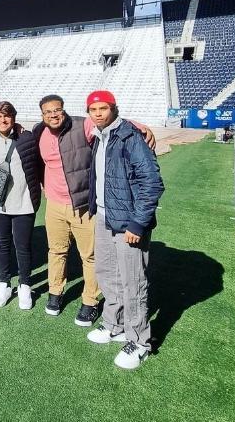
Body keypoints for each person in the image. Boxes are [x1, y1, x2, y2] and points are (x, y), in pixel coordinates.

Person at [32, 94, 155, 326]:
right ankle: (55, 292)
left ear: (63, 110)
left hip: (81, 205)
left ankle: (90, 301)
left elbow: (109, 122)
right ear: (42, 115)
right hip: (54, 205)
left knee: (89, 256)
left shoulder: (82, 124)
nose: (53, 115)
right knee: (56, 251)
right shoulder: (40, 132)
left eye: (56, 110)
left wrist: (143, 128)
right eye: (48, 112)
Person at [84, 90, 164, 370]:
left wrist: (138, 223)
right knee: (107, 274)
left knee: (133, 282)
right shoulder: (100, 136)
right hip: (104, 217)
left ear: (114, 109)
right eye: (93, 110)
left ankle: (139, 341)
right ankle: (113, 324)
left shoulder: (130, 137)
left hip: (128, 222)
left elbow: (152, 183)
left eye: (103, 109)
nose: (98, 113)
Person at [0, 101, 41, 310]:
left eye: (7, 116)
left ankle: (24, 284)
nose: (2, 120)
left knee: (22, 246)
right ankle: (4, 283)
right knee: (1, 243)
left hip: (23, 201)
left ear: (14, 118)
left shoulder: (27, 138)